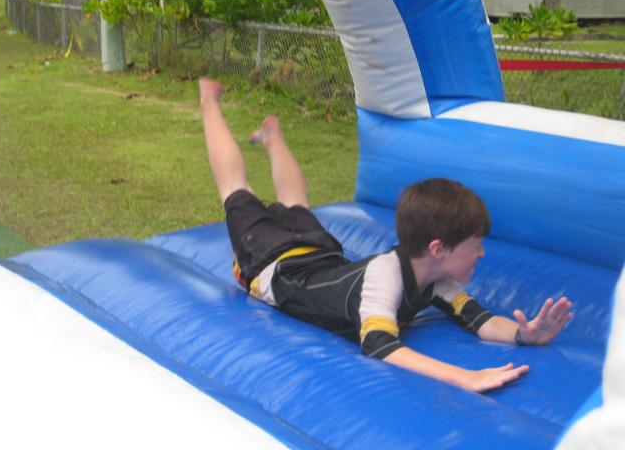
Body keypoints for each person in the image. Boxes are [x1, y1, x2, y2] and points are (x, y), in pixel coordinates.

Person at [198, 77, 574, 393]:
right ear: (438, 248)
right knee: (237, 192)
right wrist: (463, 376)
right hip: (273, 264)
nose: (481, 254)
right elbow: (378, 344)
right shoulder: (386, 274)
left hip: (321, 255)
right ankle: (209, 101)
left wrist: (526, 334)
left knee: (297, 204)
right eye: (475, 244)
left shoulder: (435, 278)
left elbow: (482, 321)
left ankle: (272, 136)